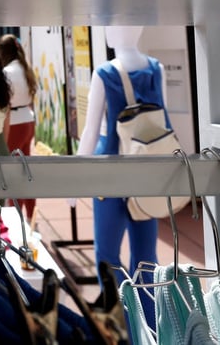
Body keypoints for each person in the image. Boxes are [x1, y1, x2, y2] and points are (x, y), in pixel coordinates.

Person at [78, 26, 166, 321]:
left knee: (107, 255)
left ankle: (120, 320)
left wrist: (72, 183)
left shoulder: (104, 73)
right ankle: (149, 325)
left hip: (110, 173)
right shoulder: (157, 69)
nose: (107, 31)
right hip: (144, 172)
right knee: (146, 257)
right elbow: (163, 123)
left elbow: (91, 132)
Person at [0, 33, 39, 223]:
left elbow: (1, 101)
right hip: (27, 121)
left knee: (13, 174)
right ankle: (30, 217)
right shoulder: (25, 68)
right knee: (26, 171)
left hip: (13, 122)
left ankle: (16, 219)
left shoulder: (6, 72)